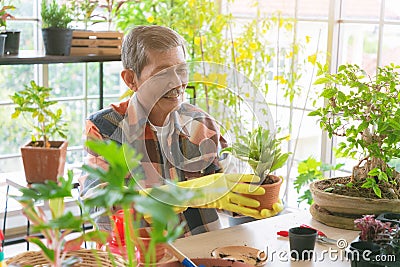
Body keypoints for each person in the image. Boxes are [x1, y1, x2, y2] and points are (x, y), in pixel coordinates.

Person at [80, 25, 280, 236]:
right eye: (163, 73)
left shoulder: (201, 124)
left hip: (202, 253)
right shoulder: (105, 129)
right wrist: (184, 194)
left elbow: (226, 195)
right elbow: (97, 208)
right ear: (131, 79)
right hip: (141, 257)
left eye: (182, 70)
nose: (177, 83)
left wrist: (257, 198)